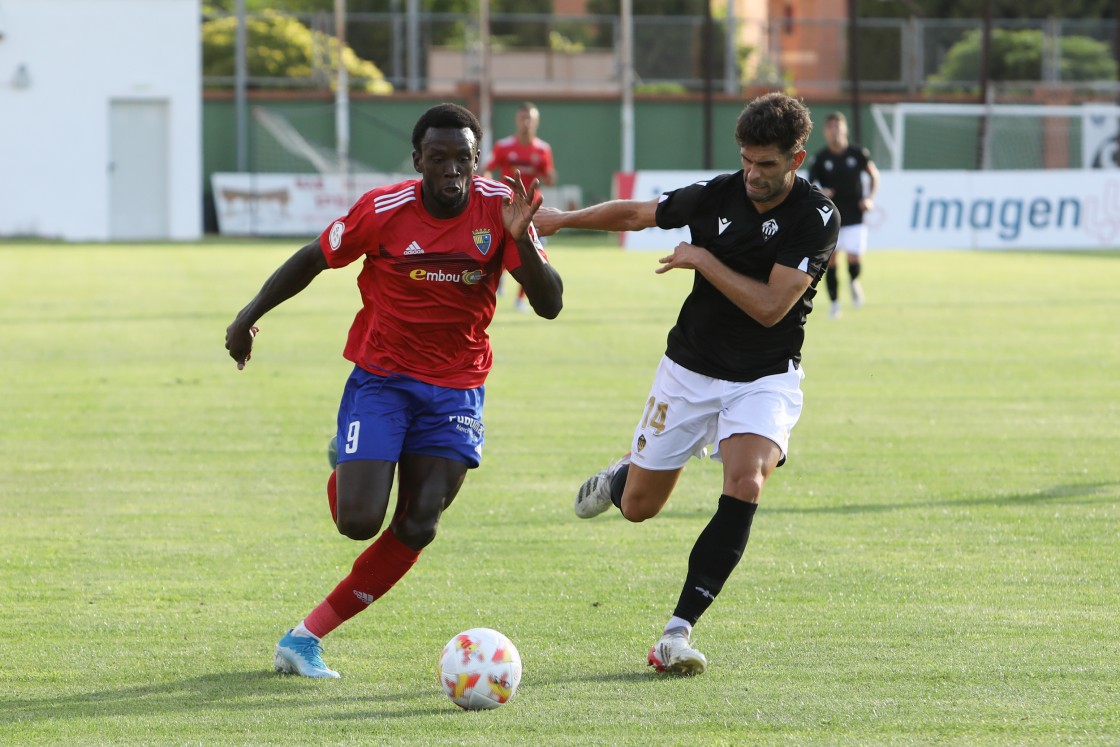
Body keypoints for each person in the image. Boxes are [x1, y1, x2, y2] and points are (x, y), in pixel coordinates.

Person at [225, 103, 563, 678]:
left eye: (463, 158)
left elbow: (550, 303)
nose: (452, 170)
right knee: (357, 520)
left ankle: (304, 638)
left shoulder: (500, 214)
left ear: (478, 161)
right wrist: (248, 314)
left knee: (420, 522)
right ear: (418, 160)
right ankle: (350, 457)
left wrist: (521, 241)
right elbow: (313, 257)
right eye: (439, 158)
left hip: (457, 387)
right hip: (384, 378)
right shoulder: (384, 210)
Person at [533, 92, 838, 676]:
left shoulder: (816, 216)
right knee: (640, 509)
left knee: (747, 482)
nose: (753, 174)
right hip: (689, 371)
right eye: (747, 160)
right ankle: (623, 476)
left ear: (796, 159)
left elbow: (771, 307)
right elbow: (635, 213)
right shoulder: (719, 193)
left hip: (764, 377)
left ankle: (676, 633)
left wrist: (701, 259)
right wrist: (560, 221)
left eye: (767, 164)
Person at [484, 102, 557, 312]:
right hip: (507, 209)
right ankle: (500, 278)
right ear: (517, 120)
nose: (526, 123)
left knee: (535, 254)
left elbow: (549, 177)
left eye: (530, 119)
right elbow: (487, 169)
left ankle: (520, 299)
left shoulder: (543, 149)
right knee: (502, 248)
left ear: (536, 122)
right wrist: (489, 186)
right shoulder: (503, 146)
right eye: (523, 118)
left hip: (533, 210)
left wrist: (549, 175)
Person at [807, 111, 879, 319]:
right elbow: (811, 185)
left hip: (855, 215)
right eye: (830, 128)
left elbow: (874, 175)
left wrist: (869, 198)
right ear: (825, 132)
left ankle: (854, 280)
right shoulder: (820, 159)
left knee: (854, 259)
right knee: (832, 262)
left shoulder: (858, 154)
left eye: (838, 127)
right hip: (832, 218)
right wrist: (823, 192)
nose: (835, 131)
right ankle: (835, 304)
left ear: (845, 129)